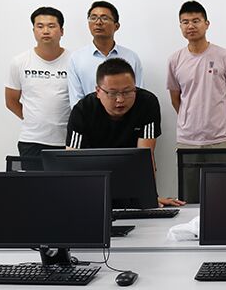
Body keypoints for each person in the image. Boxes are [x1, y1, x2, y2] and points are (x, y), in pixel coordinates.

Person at [66, 58, 183, 207]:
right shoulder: (83, 110)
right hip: (91, 187)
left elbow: (146, 157)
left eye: (127, 92)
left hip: (131, 184)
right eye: (112, 93)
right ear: (98, 91)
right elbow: (71, 161)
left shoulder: (147, 103)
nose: (120, 99)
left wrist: (150, 196)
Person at [167, 0, 226, 150]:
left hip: (220, 138)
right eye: (185, 22)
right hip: (187, 139)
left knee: (225, 167)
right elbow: (175, 99)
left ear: (207, 24)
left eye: (196, 21)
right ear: (180, 26)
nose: (190, 26)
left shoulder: (225, 56)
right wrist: (188, 119)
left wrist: (218, 116)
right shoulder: (174, 60)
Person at [5, 7, 71, 160]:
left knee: (67, 177)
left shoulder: (74, 61)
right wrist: (33, 119)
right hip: (31, 141)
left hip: (67, 141)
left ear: (62, 31)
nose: (45, 31)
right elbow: (11, 101)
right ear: (34, 30)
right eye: (40, 26)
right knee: (34, 177)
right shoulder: (19, 62)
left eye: (51, 26)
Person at [68, 1, 144, 106]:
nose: (98, 22)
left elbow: (138, 94)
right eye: (93, 18)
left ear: (116, 26)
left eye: (104, 18)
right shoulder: (77, 58)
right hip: (89, 115)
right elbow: (76, 99)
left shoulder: (131, 57)